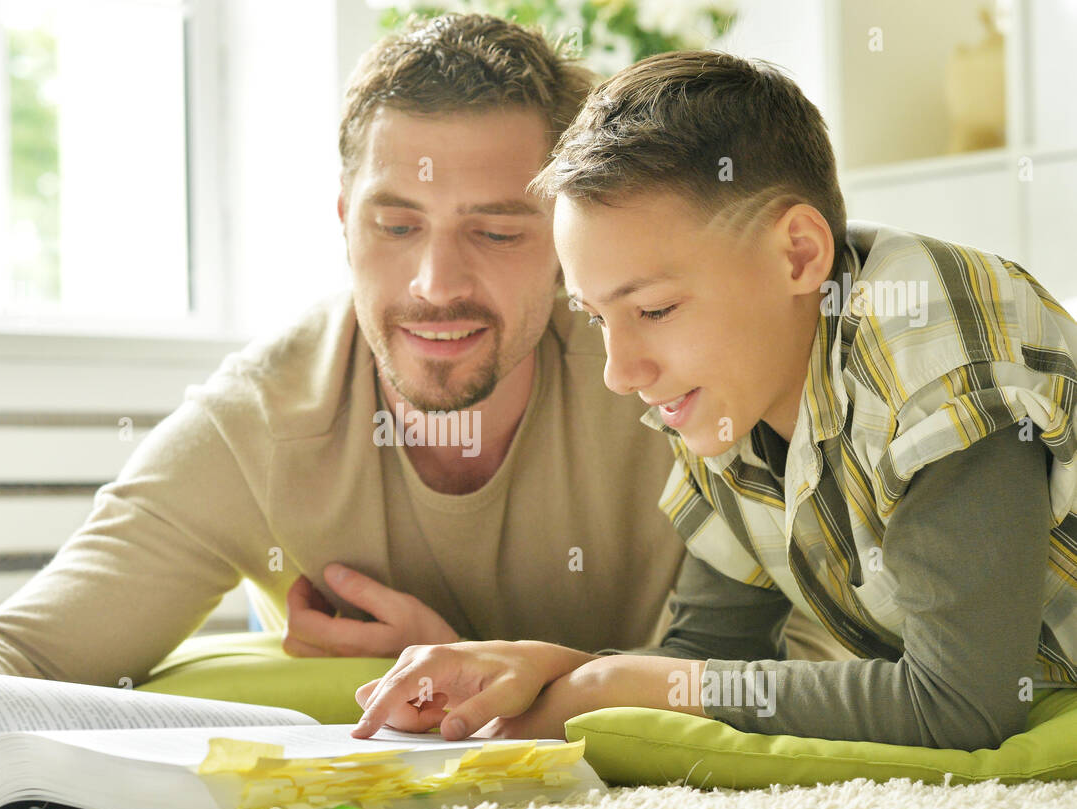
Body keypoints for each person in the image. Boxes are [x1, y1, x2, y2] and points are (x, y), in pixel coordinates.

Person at [0, 18, 842, 741]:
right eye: (395, 225)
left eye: (496, 228)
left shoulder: (661, 370)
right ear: (342, 222)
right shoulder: (262, 422)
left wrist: (497, 667)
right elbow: (28, 642)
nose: (436, 283)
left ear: (566, 236)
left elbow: (812, 658)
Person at [354, 49, 1077, 750]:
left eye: (656, 309)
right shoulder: (732, 393)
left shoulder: (932, 354)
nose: (621, 370)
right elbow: (705, 655)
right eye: (598, 318)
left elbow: (958, 703)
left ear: (797, 254)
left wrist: (615, 681)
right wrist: (555, 667)